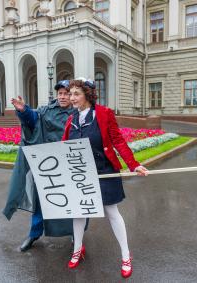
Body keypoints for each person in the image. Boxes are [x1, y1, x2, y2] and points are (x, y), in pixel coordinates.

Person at [61, 78, 149, 278]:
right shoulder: (71, 118)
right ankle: (78, 250)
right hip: (81, 173)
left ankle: (126, 256)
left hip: (104, 170)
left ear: (87, 95)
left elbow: (117, 140)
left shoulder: (104, 114)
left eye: (76, 94)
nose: (71, 98)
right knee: (79, 212)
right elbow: (65, 145)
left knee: (112, 212)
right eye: (70, 94)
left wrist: (133, 165)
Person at [3, 80, 75, 252]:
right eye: (60, 93)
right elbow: (32, 120)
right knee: (42, 201)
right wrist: (23, 110)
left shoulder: (79, 112)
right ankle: (34, 233)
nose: (63, 96)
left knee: (72, 201)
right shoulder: (46, 111)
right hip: (48, 166)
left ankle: (75, 233)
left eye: (66, 93)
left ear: (71, 95)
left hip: (69, 165)